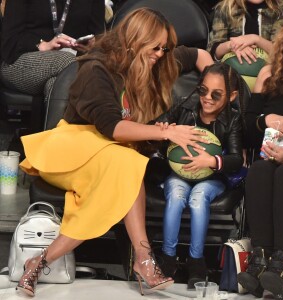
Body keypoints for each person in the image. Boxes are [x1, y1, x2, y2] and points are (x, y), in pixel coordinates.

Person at [17, 8, 214, 297]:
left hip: (113, 155)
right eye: (155, 47)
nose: (161, 54)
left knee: (125, 164)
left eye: (164, 48)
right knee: (127, 161)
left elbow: (197, 55)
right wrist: (165, 132)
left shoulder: (160, 60)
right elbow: (112, 127)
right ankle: (144, 260)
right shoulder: (96, 69)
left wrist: (215, 82)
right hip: (72, 146)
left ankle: (40, 262)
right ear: (134, 41)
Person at [153, 62, 246, 288]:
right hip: (180, 174)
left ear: (232, 96)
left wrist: (212, 161)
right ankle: (168, 259)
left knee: (197, 199)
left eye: (217, 94)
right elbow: (156, 127)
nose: (207, 98)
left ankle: (196, 260)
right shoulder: (186, 107)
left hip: (213, 178)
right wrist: (169, 132)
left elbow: (236, 159)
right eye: (203, 91)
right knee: (175, 196)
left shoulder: (233, 119)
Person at [237, 13, 283, 300]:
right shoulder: (269, 75)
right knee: (261, 169)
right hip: (269, 160)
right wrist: (266, 119)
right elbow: (248, 130)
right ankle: (260, 261)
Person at [0, 0, 105, 112]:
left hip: (74, 62)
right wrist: (42, 44)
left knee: (56, 83)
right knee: (68, 62)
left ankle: (58, 129)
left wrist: (91, 45)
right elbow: (9, 42)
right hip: (19, 59)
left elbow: (99, 37)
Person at [207, 0, 283, 90]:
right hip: (230, 75)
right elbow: (213, 49)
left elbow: (280, 50)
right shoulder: (225, 8)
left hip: (269, 76)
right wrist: (232, 45)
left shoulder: (280, 9)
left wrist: (256, 39)